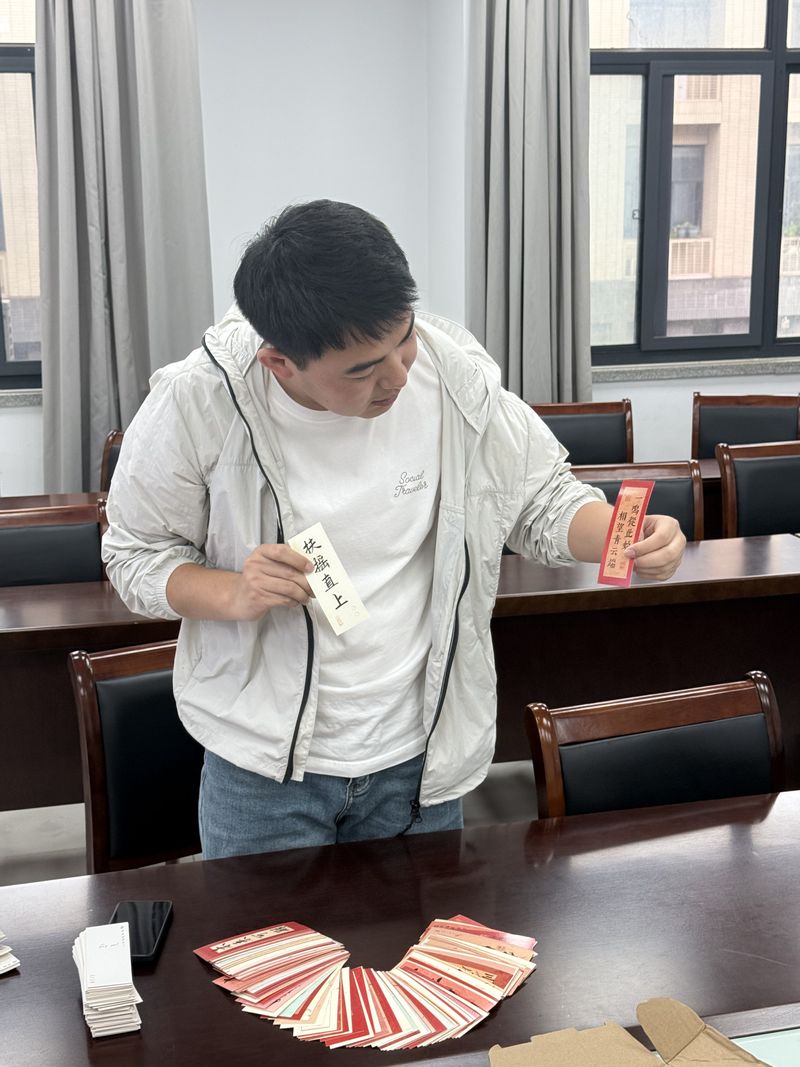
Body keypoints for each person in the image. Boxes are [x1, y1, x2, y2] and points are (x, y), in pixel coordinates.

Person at [102, 200, 685, 859]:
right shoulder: (200, 401)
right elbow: (134, 555)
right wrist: (234, 591)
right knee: (270, 934)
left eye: (404, 338)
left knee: (419, 931)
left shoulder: (453, 375)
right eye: (362, 369)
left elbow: (541, 498)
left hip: (419, 758)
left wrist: (623, 536)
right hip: (265, 771)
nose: (400, 375)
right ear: (280, 362)